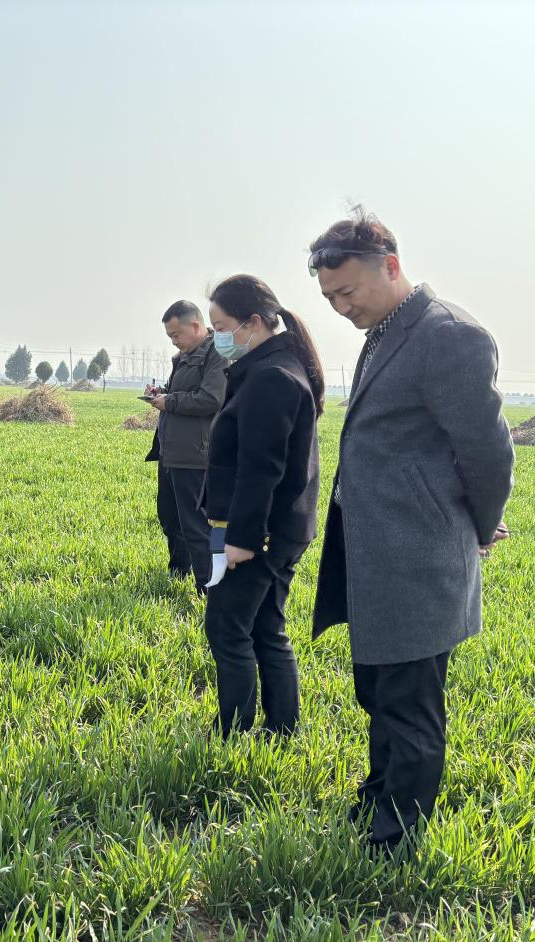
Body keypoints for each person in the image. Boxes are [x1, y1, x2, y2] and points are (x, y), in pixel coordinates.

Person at [308, 208, 514, 854]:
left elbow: (487, 452)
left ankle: (396, 838)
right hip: (377, 551)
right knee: (377, 688)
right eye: (329, 297)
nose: (340, 307)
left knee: (408, 700)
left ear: (390, 267)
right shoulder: (388, 330)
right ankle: (377, 797)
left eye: (347, 291)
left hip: (417, 554)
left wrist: (480, 527)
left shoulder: (447, 335)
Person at [202, 276, 323, 739]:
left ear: (253, 322)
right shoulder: (272, 368)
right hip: (270, 526)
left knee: (227, 626)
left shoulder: (271, 377)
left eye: (221, 327)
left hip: (255, 530)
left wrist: (241, 540)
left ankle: (231, 732)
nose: (218, 337)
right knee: (266, 627)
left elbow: (262, 468)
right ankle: (282, 730)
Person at [144, 300, 227, 594]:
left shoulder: (217, 353)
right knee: (170, 518)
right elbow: (183, 392)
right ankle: (178, 570)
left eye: (175, 334)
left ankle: (209, 588)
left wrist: (170, 401)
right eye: (169, 336)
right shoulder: (185, 356)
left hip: (196, 455)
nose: (173, 341)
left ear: (195, 326)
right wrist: (162, 393)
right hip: (171, 451)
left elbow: (211, 399)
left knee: (196, 525)